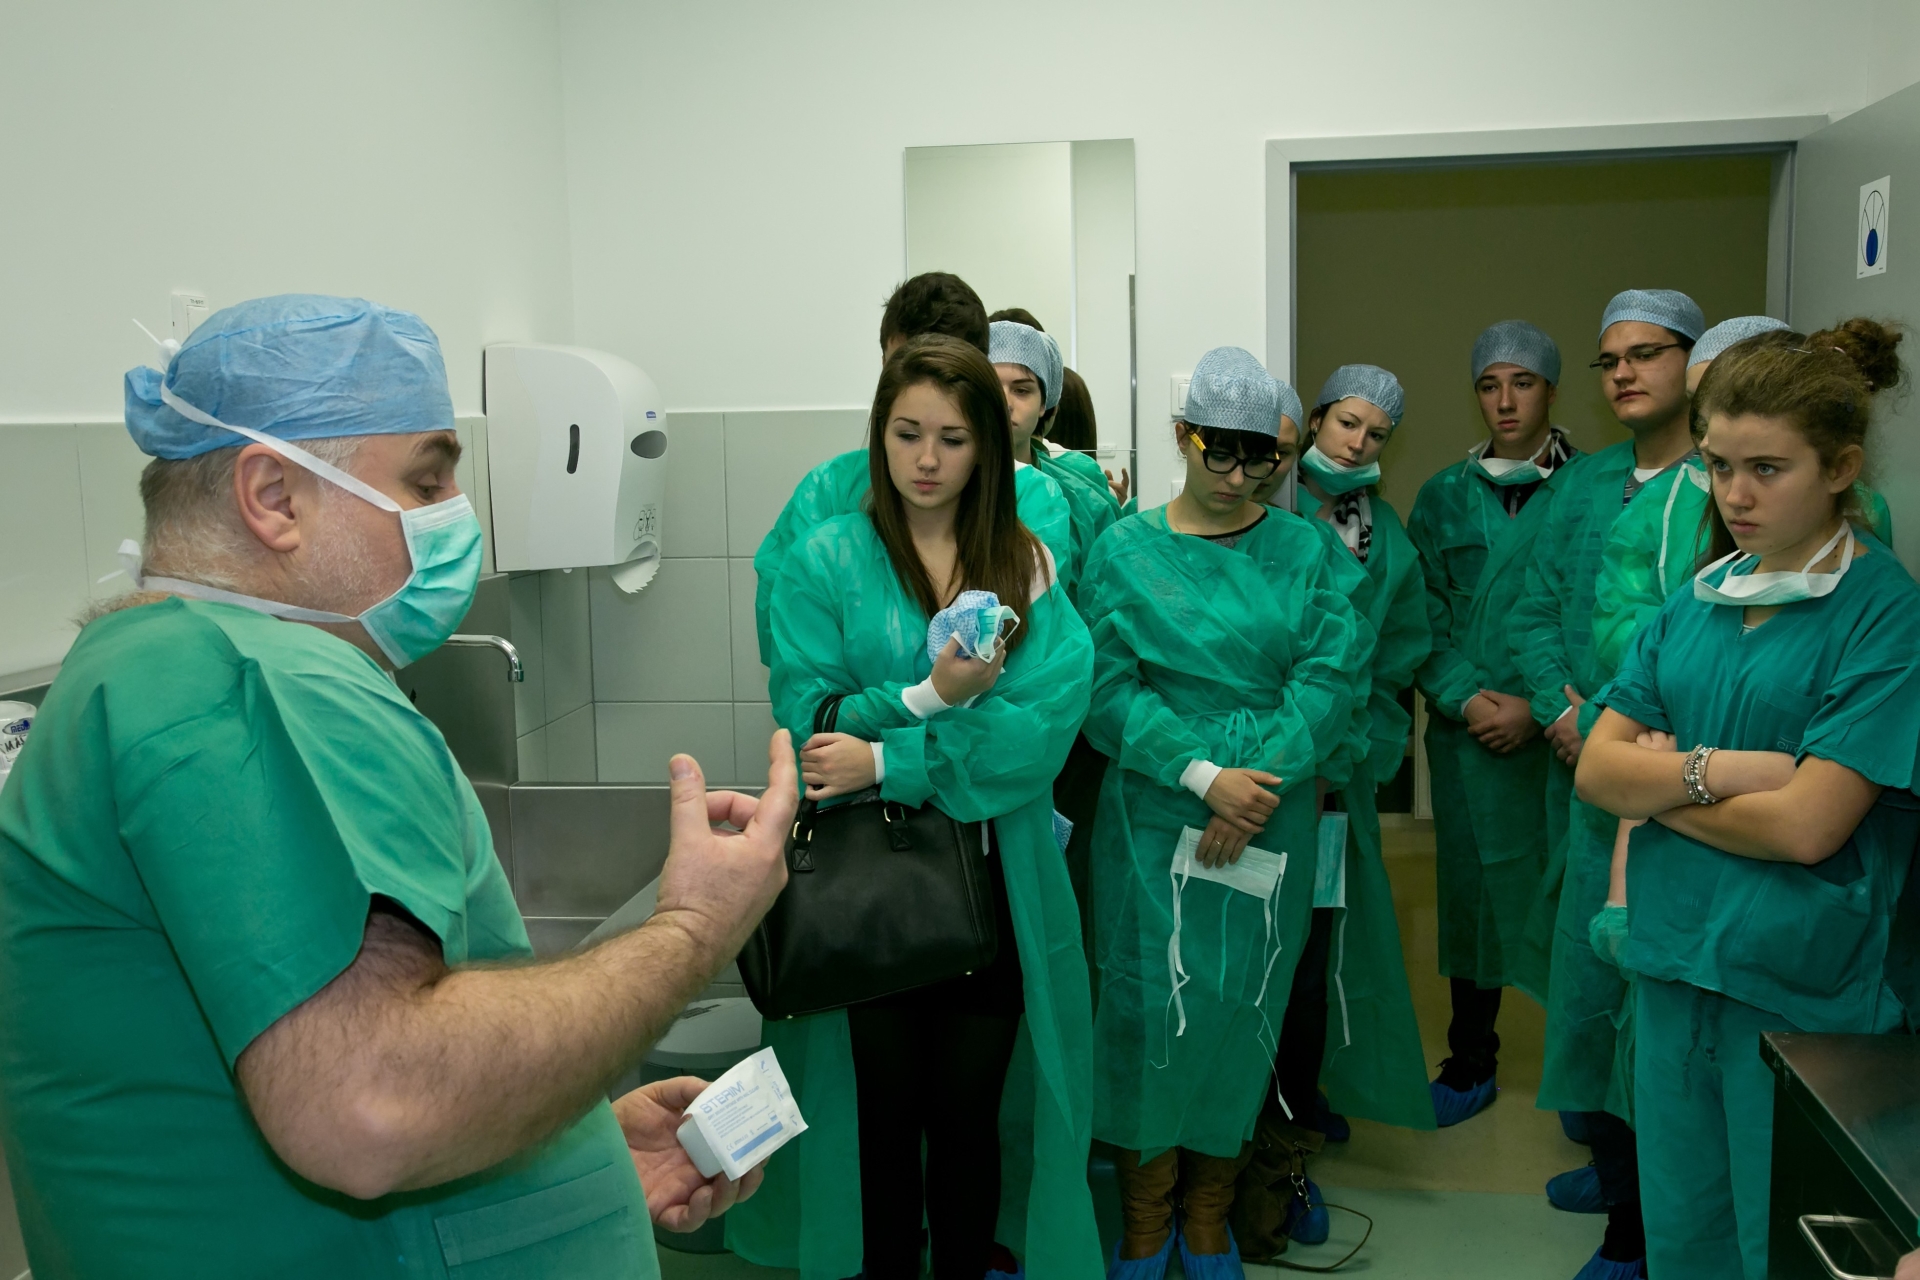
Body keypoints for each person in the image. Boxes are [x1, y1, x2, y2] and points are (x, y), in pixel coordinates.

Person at [0, 295, 796, 1279]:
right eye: (427, 480)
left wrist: (562, 1151)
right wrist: (695, 929)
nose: (457, 516)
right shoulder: (256, 683)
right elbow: (373, 1105)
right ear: (274, 497)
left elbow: (301, 1081)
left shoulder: (157, 669)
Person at [744, 336, 1101, 1280]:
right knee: (883, 1126)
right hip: (872, 892)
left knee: (969, 1124)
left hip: (995, 885)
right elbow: (810, 722)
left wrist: (887, 759)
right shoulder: (826, 559)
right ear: (879, 435)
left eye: (952, 438)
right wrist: (931, 697)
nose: (927, 460)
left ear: (988, 445)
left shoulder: (1023, 563)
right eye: (907, 435)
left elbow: (1039, 733)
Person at [1577, 318, 1917, 1280]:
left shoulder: (1884, 614)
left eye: (1768, 469)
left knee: (1780, 1244)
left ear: (1841, 467)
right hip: (1674, 969)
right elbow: (1597, 771)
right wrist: (1726, 771)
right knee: (1685, 1240)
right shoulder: (1699, 600)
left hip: (1801, 990)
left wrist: (1661, 785)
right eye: (1720, 466)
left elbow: (1808, 827)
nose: (1736, 495)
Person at [1083, 347, 1363, 1280]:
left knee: (1245, 1009)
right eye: (1222, 454)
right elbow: (1105, 690)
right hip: (1156, 810)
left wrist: (1253, 787)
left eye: (1263, 458)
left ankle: (1208, 1218)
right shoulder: (1123, 551)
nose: (1242, 477)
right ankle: (1146, 1222)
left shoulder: (1305, 551)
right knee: (1148, 1014)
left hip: (1271, 810)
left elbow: (1330, 679)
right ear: (1182, 436)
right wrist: (1205, 777)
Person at [1511, 289, 1706, 1279]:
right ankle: (1616, 1171)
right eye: (1609, 359)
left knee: (1653, 1003)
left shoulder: (1717, 486)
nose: (1624, 372)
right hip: (1588, 777)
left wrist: (1612, 731)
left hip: (1677, 781)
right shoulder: (1586, 484)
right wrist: (1565, 710)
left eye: (1647, 353)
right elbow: (1534, 605)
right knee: (1589, 985)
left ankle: (1642, 1227)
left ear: (1696, 362)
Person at [1232, 366, 1432, 1260]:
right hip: (1240, 782)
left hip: (1330, 787)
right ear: (1314, 420)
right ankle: (1218, 1149)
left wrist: (1355, 757)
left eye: (1377, 434)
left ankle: (1289, 1144)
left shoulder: (1383, 538)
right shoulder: (1257, 510)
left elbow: (1393, 662)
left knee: (1308, 966)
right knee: (1234, 963)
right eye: (1348, 423)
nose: (1358, 443)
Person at [1408, 319, 1578, 1126]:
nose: (1505, 401)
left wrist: (1544, 710)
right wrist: (1469, 699)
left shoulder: (1593, 490)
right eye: (1489, 384)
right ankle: (1471, 1058)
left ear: (1552, 391)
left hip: (1564, 736)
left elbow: (1602, 615)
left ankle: (1588, 1087)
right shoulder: (1443, 495)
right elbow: (1418, 617)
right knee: (1471, 899)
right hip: (1470, 734)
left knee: (1573, 894)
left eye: (1523, 383)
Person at [752, 275, 1075, 669]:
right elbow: (794, 651)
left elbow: (1035, 664)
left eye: (943, 370)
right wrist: (915, 700)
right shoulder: (830, 490)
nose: (928, 460)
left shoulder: (1031, 500)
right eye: (903, 366)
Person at [1592, 316, 1894, 672]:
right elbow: (1626, 636)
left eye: (1765, 467)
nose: (1736, 497)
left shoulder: (1880, 605)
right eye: (1698, 408)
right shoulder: (1695, 572)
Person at [988, 319, 1123, 603]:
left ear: (1044, 404)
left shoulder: (1083, 499)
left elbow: (1103, 597)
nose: (1005, 402)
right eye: (991, 387)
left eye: (1021, 390)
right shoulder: (945, 488)